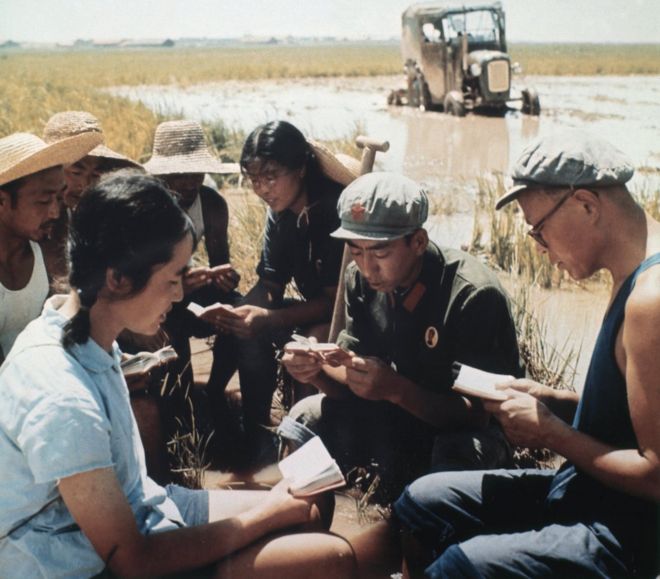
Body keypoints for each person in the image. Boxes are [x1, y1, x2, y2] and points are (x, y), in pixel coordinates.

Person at [0, 170, 375, 579]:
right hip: (73, 560)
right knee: (330, 558)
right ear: (117, 278)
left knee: (312, 506)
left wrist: (273, 512)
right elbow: (133, 561)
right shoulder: (62, 395)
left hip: (143, 509)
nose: (179, 294)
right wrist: (267, 513)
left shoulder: (79, 330)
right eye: (172, 279)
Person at [394, 131, 660, 578]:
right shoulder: (627, 273)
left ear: (586, 205)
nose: (539, 246)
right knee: (421, 504)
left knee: (459, 568)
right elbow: (633, 417)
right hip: (588, 488)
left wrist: (553, 434)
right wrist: (551, 400)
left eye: (539, 229)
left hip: (628, 533)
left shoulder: (651, 301)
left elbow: (655, 476)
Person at [282, 172, 522, 499]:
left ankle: (424, 526)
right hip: (395, 417)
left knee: (457, 454)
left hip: (461, 434)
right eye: (356, 251)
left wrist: (396, 390)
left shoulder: (472, 295)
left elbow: (479, 416)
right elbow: (351, 390)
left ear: (418, 242)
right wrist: (316, 371)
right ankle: (301, 521)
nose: (367, 268)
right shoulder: (359, 281)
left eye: (380, 254)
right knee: (305, 417)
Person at [209, 120, 359, 464]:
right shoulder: (280, 214)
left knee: (308, 343)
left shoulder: (334, 211)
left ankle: (304, 448)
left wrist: (269, 318)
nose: (262, 188)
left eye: (271, 176)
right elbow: (271, 285)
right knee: (244, 331)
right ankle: (257, 434)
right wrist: (238, 314)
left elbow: (334, 304)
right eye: (254, 179)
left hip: (349, 318)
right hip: (316, 308)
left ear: (301, 168)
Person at [142, 119, 240, 448]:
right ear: (160, 175)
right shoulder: (144, 206)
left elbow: (220, 260)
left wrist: (224, 280)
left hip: (188, 290)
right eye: (178, 174)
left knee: (237, 313)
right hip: (153, 298)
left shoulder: (211, 204)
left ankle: (215, 391)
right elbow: (139, 278)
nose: (188, 183)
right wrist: (179, 284)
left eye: (195, 173)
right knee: (174, 347)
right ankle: (183, 417)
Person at [0, 130, 101, 365]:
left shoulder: (45, 254)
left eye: (58, 199)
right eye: (44, 201)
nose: (55, 212)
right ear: (2, 202)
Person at [40, 110, 142, 285]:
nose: (85, 184)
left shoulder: (87, 219)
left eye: (95, 174)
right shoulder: (28, 219)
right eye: (76, 172)